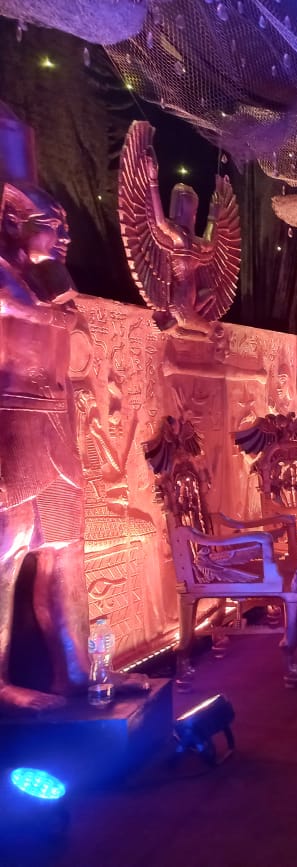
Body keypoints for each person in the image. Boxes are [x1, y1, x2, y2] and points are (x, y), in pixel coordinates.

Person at [0, 176, 88, 712]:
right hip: (11, 426)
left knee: (65, 550)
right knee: (6, 556)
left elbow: (73, 342)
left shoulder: (47, 281)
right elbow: (31, 311)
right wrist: (56, 301)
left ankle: (74, 671)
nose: (63, 238)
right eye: (52, 226)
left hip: (55, 426)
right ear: (13, 224)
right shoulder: (7, 278)